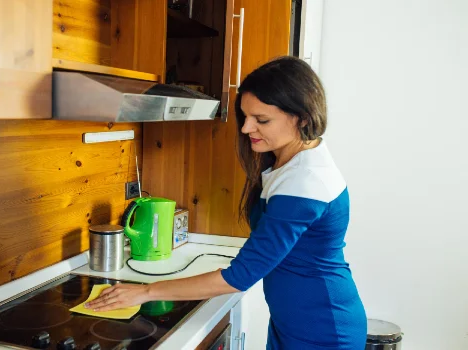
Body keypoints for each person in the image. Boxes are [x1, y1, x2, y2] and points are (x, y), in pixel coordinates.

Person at [85, 56, 367, 349]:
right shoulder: (292, 161)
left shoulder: (305, 182)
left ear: (303, 117)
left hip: (322, 331)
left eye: (262, 120)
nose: (246, 129)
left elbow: (240, 276)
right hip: (294, 321)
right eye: (245, 117)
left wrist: (146, 292)